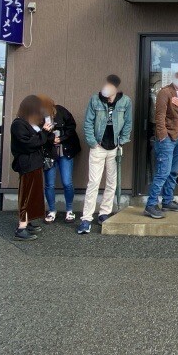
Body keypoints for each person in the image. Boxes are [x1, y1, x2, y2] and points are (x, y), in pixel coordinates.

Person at [78, 74, 132, 235]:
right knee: (93, 182)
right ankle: (86, 218)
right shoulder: (95, 100)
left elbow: (128, 122)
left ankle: (104, 213)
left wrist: (122, 141)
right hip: (98, 147)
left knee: (111, 182)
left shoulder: (125, 101)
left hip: (114, 146)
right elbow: (88, 122)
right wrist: (93, 142)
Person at [146, 68, 178, 219]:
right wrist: (163, 136)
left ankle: (167, 201)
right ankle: (151, 204)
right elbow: (159, 116)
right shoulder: (164, 92)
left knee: (173, 172)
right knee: (163, 172)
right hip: (167, 138)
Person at [10, 95, 52, 241]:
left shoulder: (30, 123)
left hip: (34, 163)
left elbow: (41, 140)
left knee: (34, 194)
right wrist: (44, 133)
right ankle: (21, 228)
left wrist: (46, 132)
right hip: (27, 164)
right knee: (26, 195)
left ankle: (27, 222)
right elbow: (29, 144)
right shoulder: (18, 124)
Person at [37, 95, 80, 224]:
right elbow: (37, 135)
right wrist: (50, 138)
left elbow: (71, 126)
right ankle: (51, 210)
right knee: (49, 184)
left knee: (67, 182)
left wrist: (61, 138)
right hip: (49, 153)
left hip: (65, 151)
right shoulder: (38, 118)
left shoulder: (61, 111)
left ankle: (69, 210)